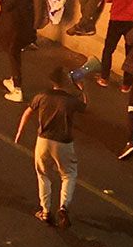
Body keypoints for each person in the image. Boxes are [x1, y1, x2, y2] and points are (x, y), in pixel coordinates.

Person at [14, 66, 82, 227]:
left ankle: (45, 211)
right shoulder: (70, 100)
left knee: (43, 175)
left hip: (43, 140)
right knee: (69, 174)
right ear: (66, 82)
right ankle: (63, 207)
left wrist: (19, 132)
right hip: (64, 142)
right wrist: (83, 89)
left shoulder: (42, 96)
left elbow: (27, 112)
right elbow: (86, 107)